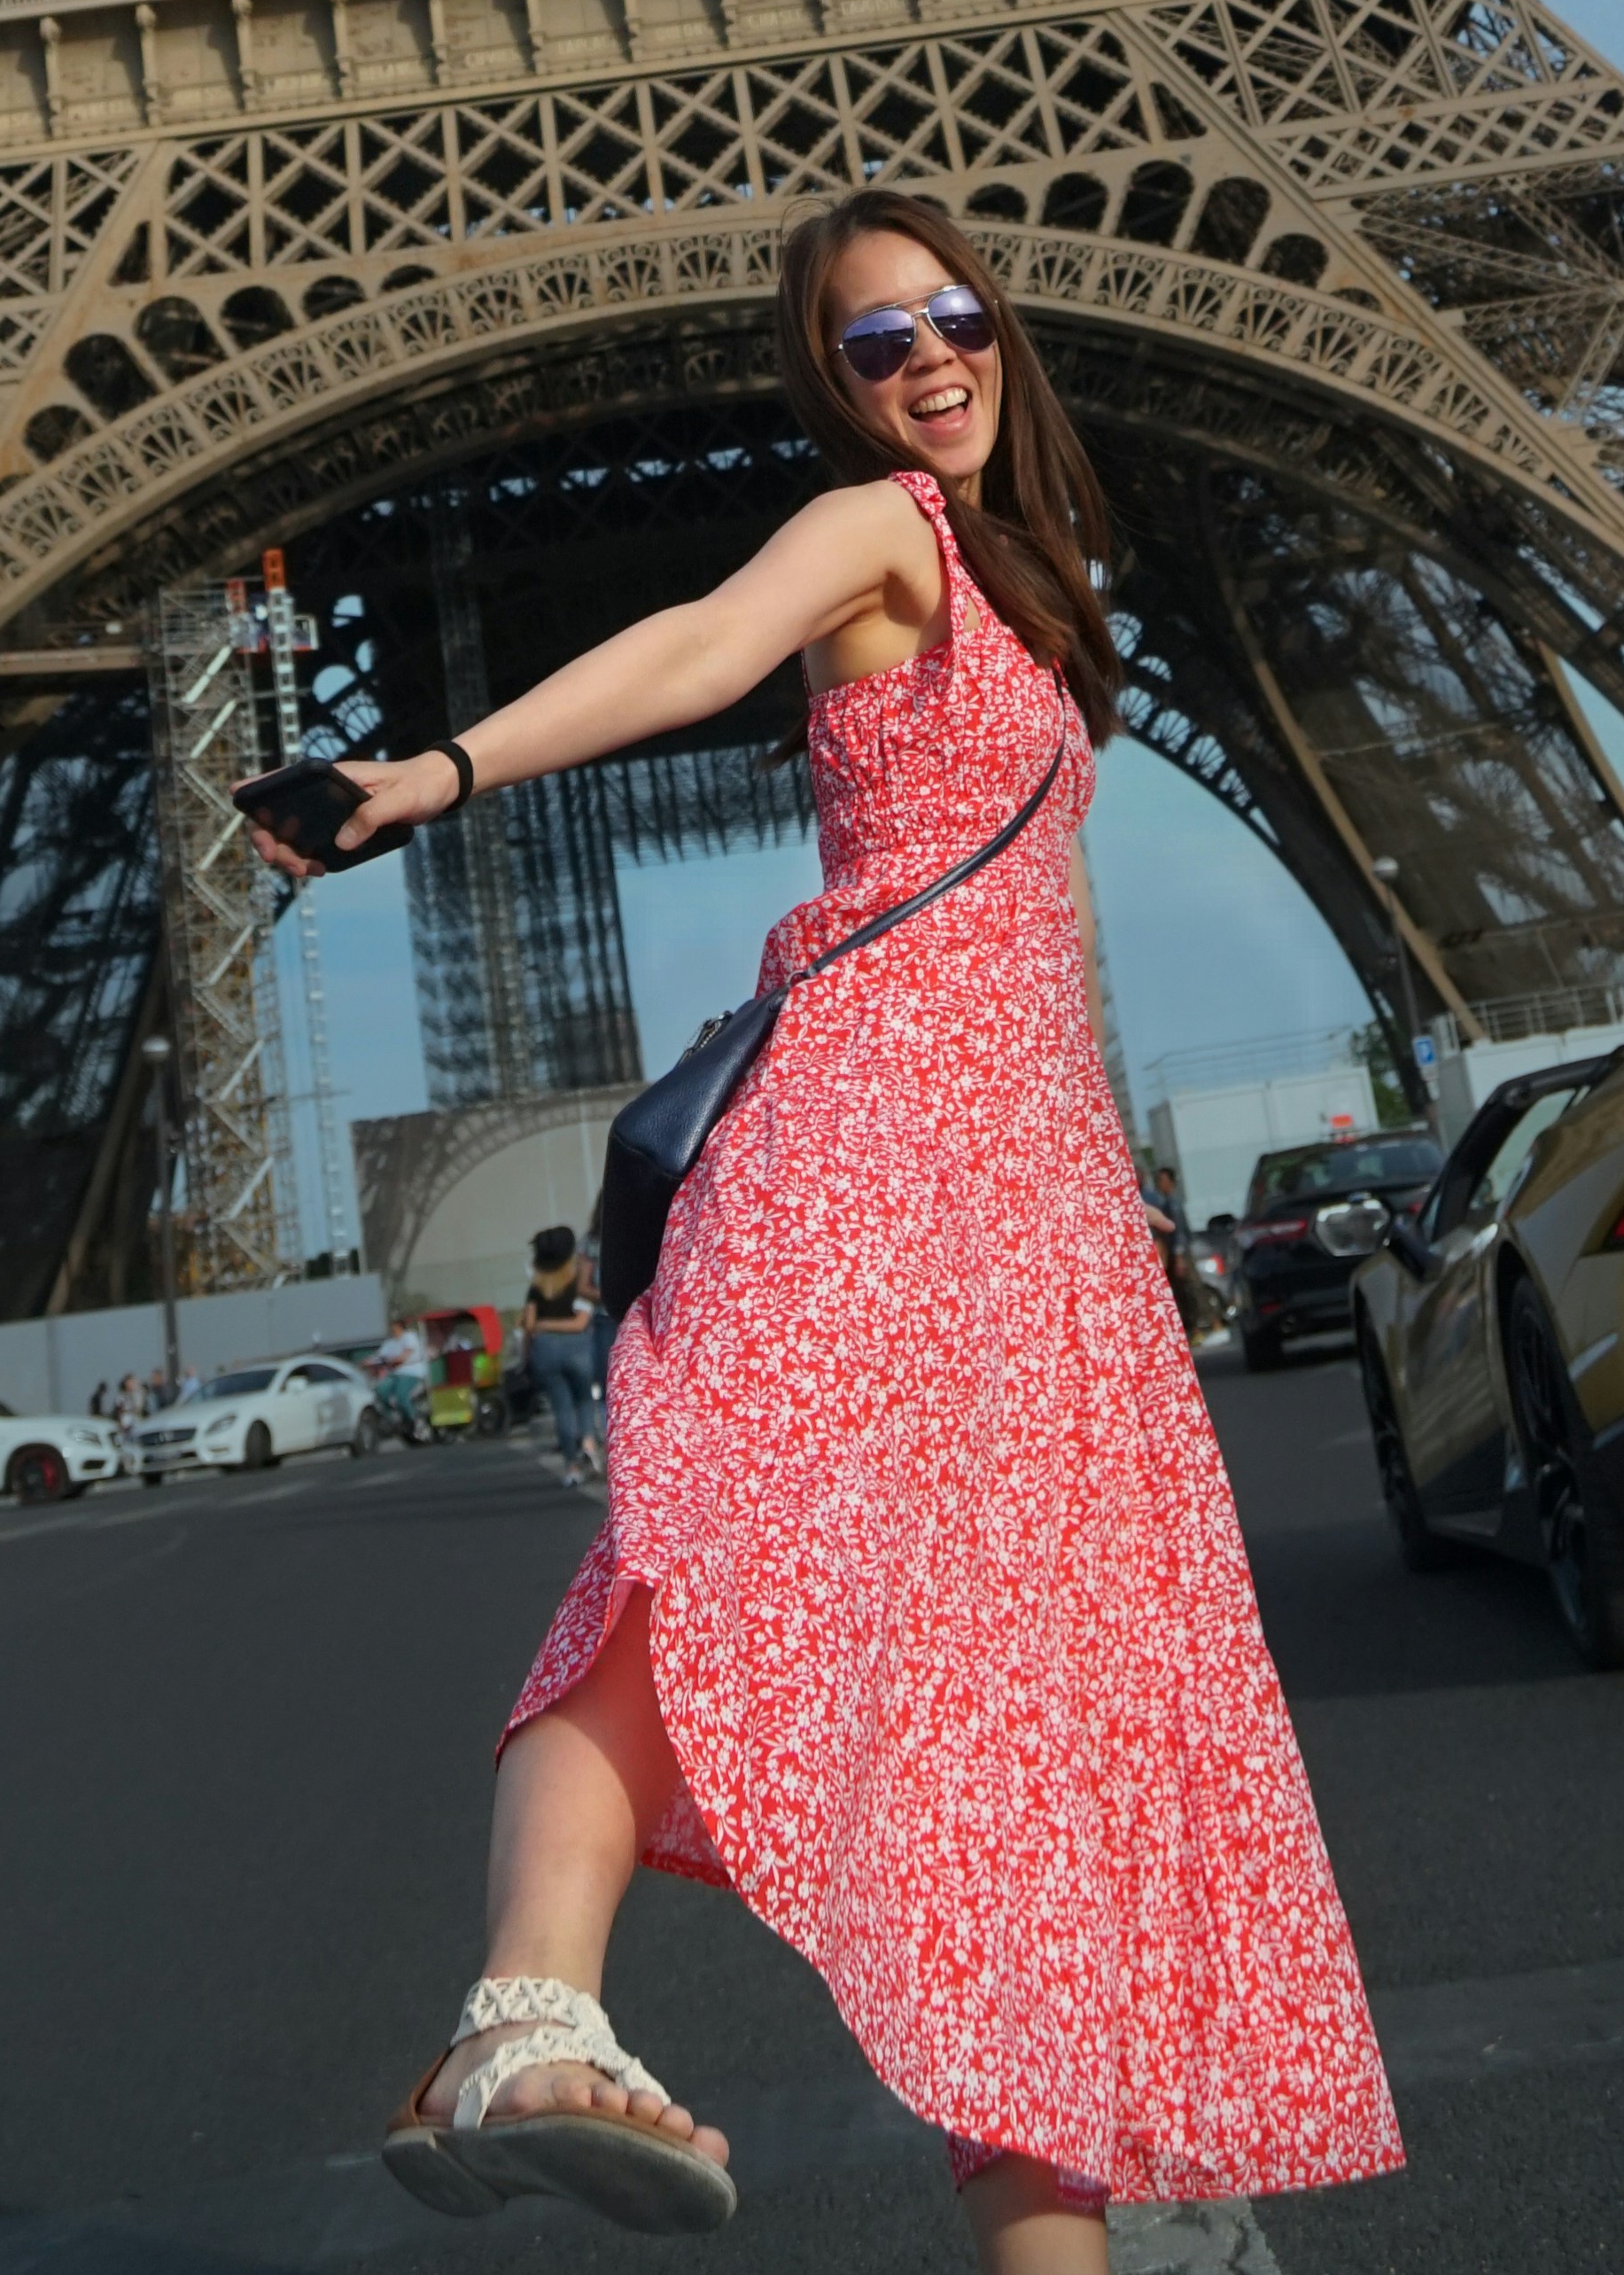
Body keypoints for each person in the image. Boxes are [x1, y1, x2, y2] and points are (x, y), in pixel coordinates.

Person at [245, 194, 1398, 2265]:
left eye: (953, 315)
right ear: (834, 384)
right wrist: (432, 768)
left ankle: (1073, 2177)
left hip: (1031, 1221)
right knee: (705, 1563)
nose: (927, 357)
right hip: (873, 1144)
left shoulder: (1033, 590)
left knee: (1019, 1759)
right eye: (876, 340)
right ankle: (526, 2010)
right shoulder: (878, 529)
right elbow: (704, 642)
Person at [518, 1227, 601, 1484]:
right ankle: (588, 1442)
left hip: (545, 1351)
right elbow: (580, 1323)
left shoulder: (537, 1288)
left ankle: (572, 1468)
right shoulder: (577, 1284)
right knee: (585, 1400)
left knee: (562, 1408)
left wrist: (540, 1334)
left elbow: (530, 1325)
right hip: (578, 1348)